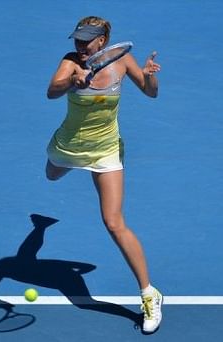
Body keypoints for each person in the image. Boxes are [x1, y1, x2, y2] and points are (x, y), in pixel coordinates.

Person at [45, 16, 163, 333]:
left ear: (102, 40)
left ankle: (149, 294)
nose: (80, 46)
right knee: (52, 175)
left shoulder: (122, 60)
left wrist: (151, 78)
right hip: (69, 146)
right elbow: (51, 91)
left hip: (106, 150)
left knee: (113, 222)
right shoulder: (71, 63)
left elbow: (150, 93)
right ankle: (40, 226)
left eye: (86, 40)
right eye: (77, 40)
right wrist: (73, 81)